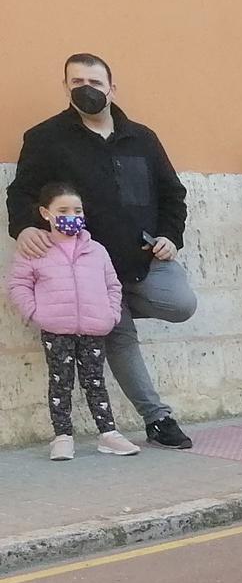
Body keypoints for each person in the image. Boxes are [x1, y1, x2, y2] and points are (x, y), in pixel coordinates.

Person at [6, 53, 195, 448]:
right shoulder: (45, 137)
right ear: (66, 87)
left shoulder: (142, 138)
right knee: (120, 336)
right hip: (85, 269)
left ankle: (111, 307)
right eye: (77, 82)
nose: (86, 89)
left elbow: (172, 194)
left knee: (182, 303)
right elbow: (20, 193)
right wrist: (24, 227)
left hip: (140, 260)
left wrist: (170, 236)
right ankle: (157, 419)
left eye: (94, 82)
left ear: (112, 87)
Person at [8, 182, 138, 458]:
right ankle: (63, 437)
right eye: (63, 210)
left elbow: (113, 285)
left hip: (93, 327)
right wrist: (36, 313)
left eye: (77, 210)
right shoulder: (36, 249)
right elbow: (18, 284)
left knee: (95, 381)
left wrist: (111, 314)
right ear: (46, 213)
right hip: (57, 329)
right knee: (60, 383)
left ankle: (108, 434)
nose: (72, 216)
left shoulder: (97, 250)